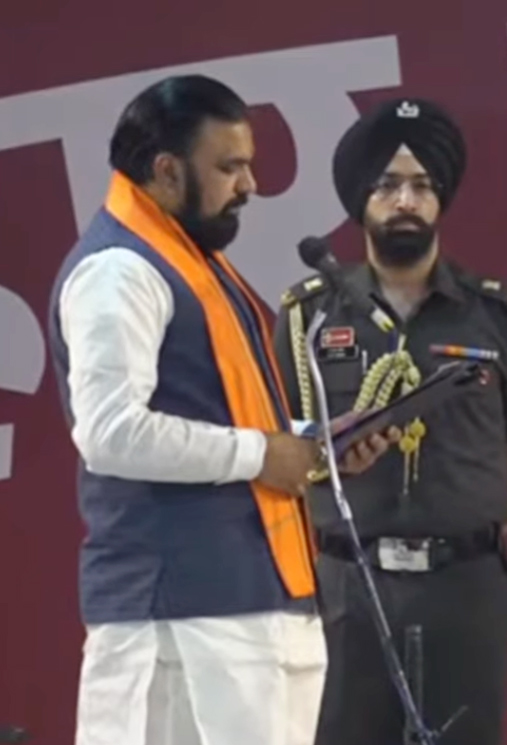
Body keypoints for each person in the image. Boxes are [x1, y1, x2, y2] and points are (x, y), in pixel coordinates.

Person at [46, 75, 391, 745]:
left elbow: (220, 413)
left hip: (249, 601)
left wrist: (312, 446)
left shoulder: (192, 262)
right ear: (167, 171)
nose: (250, 185)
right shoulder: (119, 270)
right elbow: (110, 431)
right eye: (229, 166)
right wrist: (263, 454)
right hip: (178, 613)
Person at [272, 96, 507, 745]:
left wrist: (452, 533)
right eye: (388, 185)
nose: (406, 200)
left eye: (422, 185)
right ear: (361, 199)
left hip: (465, 588)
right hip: (346, 590)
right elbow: (280, 452)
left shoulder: (498, 314)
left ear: (440, 199)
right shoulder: (310, 316)